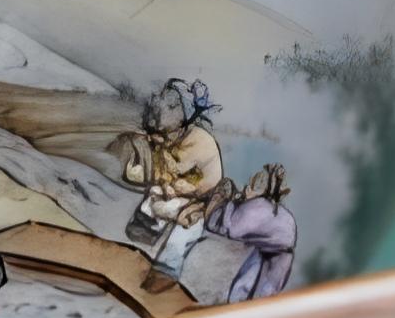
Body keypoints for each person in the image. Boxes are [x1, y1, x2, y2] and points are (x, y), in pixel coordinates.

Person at [121, 78, 226, 273]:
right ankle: (141, 242)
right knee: (152, 199)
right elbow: (162, 173)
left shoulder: (199, 141)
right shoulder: (168, 139)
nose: (160, 140)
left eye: (164, 135)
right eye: (156, 134)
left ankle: (166, 270)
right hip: (176, 191)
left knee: (179, 230)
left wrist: (180, 188)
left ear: (182, 126)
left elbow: (205, 182)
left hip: (200, 201)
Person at [209, 164, 297, 304]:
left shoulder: (259, 207)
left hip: (275, 258)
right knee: (247, 292)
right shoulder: (274, 209)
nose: (246, 189)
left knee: (257, 296)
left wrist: (226, 203)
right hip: (272, 253)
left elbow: (230, 229)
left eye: (251, 185)